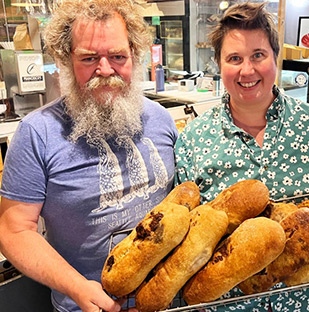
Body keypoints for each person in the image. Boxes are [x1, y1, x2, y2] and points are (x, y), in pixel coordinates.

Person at [175, 3, 309, 312]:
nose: (247, 70)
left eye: (258, 55)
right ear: (219, 64)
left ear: (275, 58)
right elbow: (189, 228)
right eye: (234, 58)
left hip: (307, 303)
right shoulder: (194, 139)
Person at [0, 1, 178, 311]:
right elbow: (13, 230)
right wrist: (77, 287)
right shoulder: (37, 133)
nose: (105, 70)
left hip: (170, 302)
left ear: (134, 55)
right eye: (89, 58)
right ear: (66, 60)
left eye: (118, 56)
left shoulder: (161, 119)